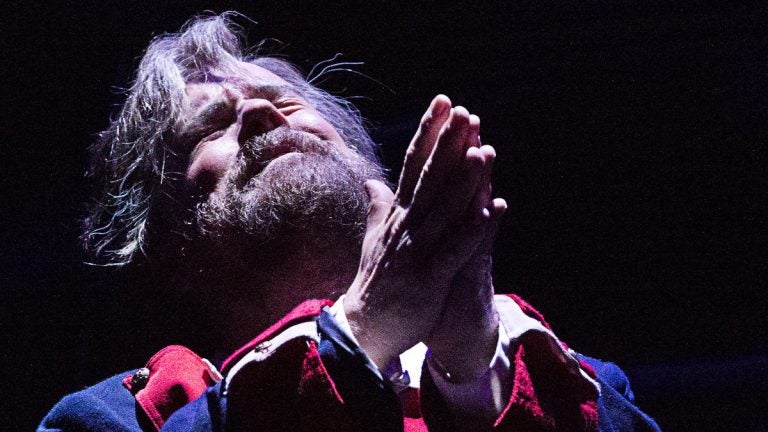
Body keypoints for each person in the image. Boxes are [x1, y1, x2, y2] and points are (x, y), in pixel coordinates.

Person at [39, 13, 661, 431]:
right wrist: (360, 328)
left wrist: (478, 370)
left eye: (288, 101)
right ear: (162, 240)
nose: (261, 112)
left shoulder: (589, 386)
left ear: (370, 169)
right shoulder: (105, 418)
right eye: (210, 126)